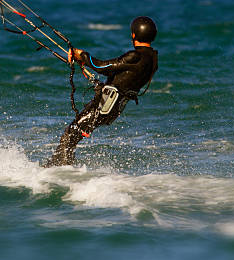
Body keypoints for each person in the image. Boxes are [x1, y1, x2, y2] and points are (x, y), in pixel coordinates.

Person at [44, 16, 158, 167]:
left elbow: (101, 67)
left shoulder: (135, 56)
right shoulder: (152, 59)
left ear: (134, 35)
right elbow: (125, 76)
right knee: (73, 135)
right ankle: (61, 166)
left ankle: (58, 170)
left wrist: (82, 55)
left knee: (70, 134)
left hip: (103, 107)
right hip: (113, 108)